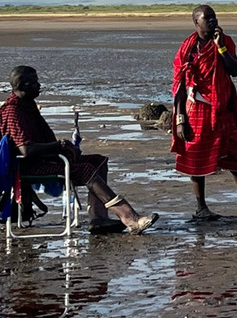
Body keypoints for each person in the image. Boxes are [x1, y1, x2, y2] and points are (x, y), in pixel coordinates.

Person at [1, 65, 158, 234]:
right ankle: (130, 217)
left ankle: (98, 218)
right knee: (85, 170)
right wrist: (58, 145)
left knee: (98, 161)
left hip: (46, 158)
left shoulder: (27, 106)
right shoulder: (13, 111)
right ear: (24, 85)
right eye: (35, 82)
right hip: (29, 166)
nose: (39, 86)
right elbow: (25, 149)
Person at [171, 5, 237, 221]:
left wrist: (221, 49)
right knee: (196, 154)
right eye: (207, 18)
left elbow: (234, 70)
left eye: (214, 17)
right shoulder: (188, 49)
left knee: (233, 152)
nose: (212, 21)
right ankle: (201, 207)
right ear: (196, 23)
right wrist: (180, 119)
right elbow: (181, 86)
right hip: (198, 107)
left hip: (223, 108)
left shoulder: (224, 42)